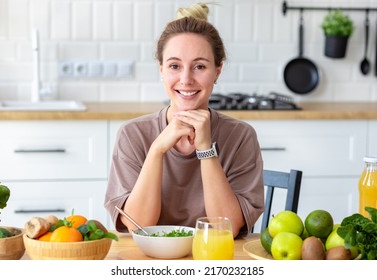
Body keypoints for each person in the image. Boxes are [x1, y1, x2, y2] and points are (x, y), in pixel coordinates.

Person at [105, 2, 264, 238]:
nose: (186, 79)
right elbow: (138, 225)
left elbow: (226, 230)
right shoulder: (133, 134)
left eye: (199, 66)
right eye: (174, 66)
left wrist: (205, 149)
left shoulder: (240, 137)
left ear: (218, 71)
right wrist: (157, 149)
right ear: (161, 71)